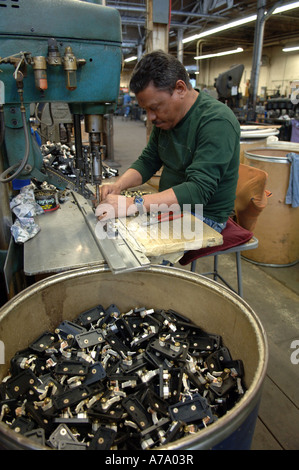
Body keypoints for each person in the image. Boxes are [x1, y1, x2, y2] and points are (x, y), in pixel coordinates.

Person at [95, 50, 240, 233]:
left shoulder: (217, 121)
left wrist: (132, 204)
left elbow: (197, 192)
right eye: (146, 110)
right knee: (114, 230)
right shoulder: (166, 119)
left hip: (204, 215)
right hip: (171, 207)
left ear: (180, 89)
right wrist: (118, 186)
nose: (150, 117)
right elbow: (148, 161)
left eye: (155, 108)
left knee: (128, 242)